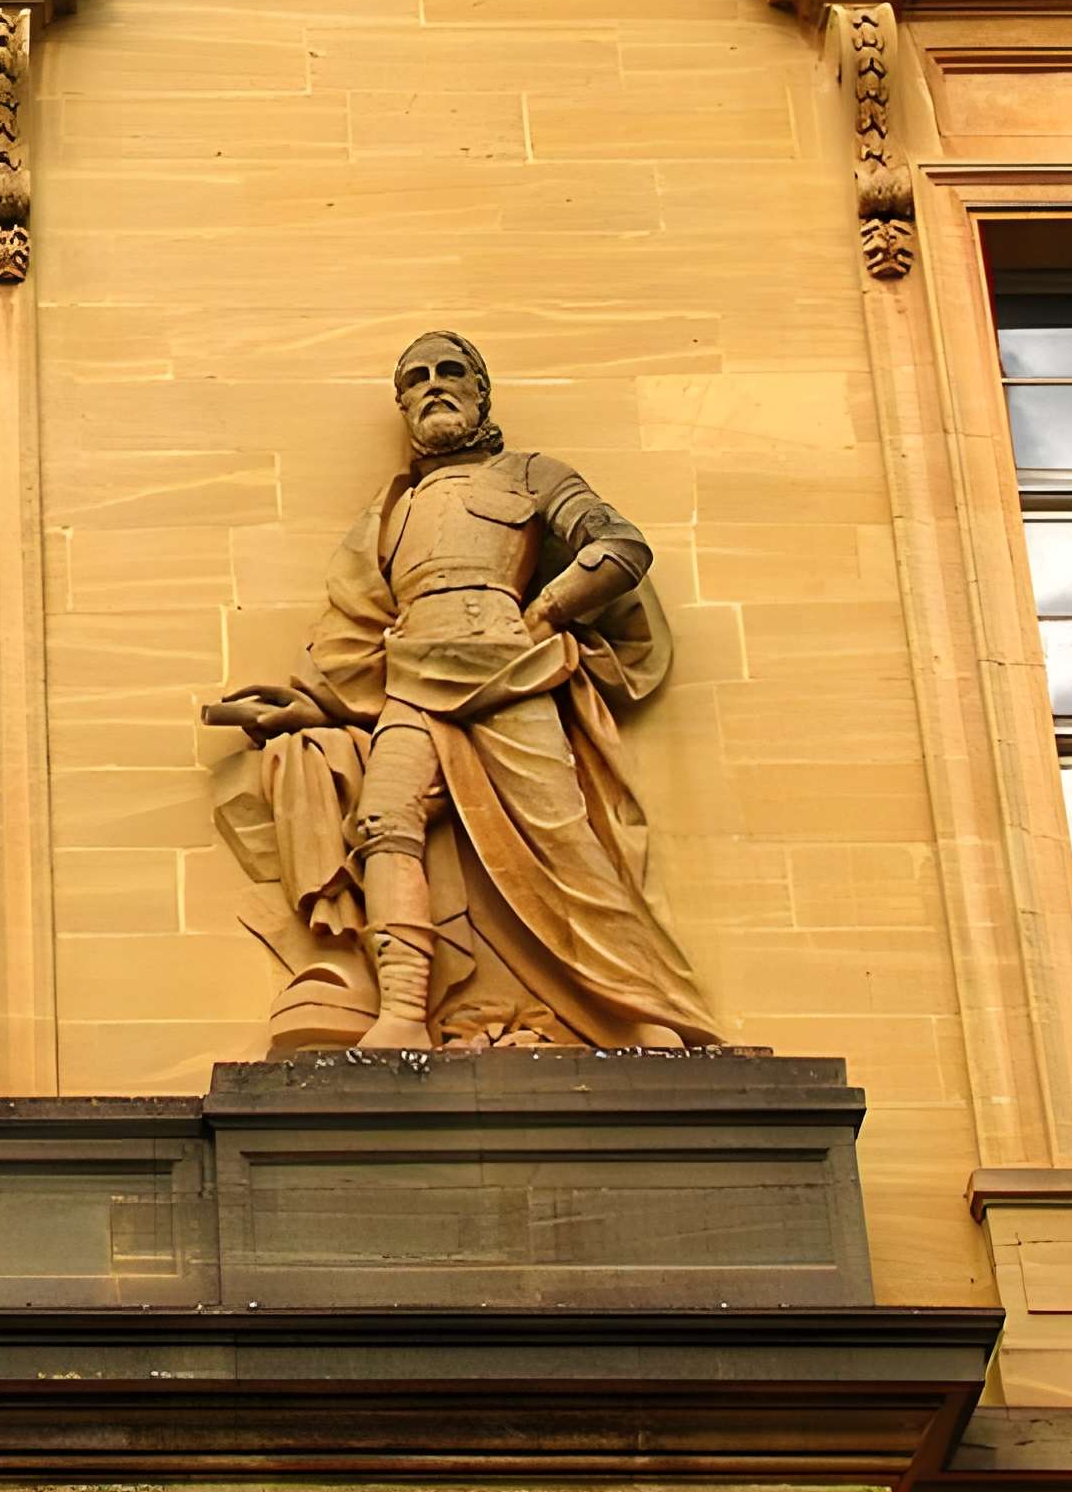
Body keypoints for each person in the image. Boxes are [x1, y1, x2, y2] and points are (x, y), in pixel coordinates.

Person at [206, 331, 718, 1053]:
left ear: (481, 391)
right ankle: (404, 1014)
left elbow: (620, 549)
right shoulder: (392, 510)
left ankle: (644, 1010)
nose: (434, 385)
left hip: (511, 674)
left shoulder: (530, 475)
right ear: (403, 404)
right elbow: (359, 628)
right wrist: (313, 704)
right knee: (383, 823)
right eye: (417, 379)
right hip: (413, 680)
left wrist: (543, 613)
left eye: (451, 372)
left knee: (562, 841)